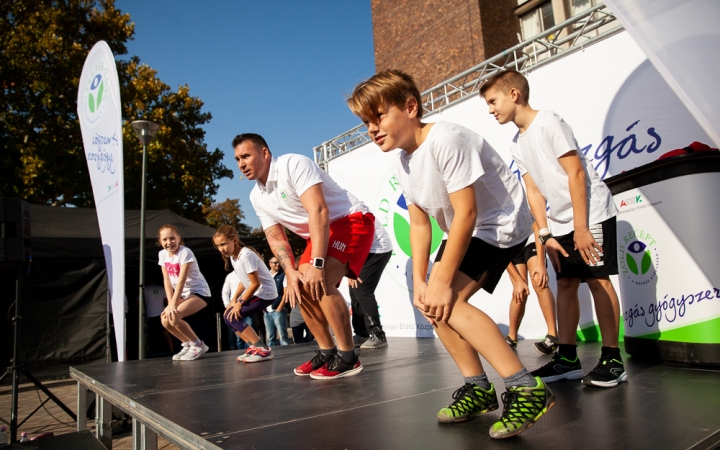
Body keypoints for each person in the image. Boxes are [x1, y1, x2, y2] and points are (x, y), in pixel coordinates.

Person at [347, 69, 555, 439]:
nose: (372, 128)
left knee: (450, 301)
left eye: (378, 117)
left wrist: (442, 282)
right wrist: (421, 281)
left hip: (500, 224)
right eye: (366, 122)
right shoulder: (403, 159)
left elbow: (468, 213)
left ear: (410, 107)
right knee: (432, 302)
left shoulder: (446, 138)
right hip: (470, 227)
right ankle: (478, 388)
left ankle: (526, 388)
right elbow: (420, 225)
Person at [481, 69, 625, 388]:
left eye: (493, 101)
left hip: (591, 214)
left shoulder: (549, 121)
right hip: (559, 223)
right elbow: (533, 191)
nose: (490, 110)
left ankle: (613, 360)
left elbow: (575, 174)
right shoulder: (518, 144)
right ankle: (567, 358)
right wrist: (545, 234)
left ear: (513, 94)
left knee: (598, 280)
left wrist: (581, 227)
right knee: (569, 283)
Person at [233, 132, 374, 380]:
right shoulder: (256, 196)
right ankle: (327, 351)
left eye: (246, 156)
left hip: (349, 221)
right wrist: (290, 272)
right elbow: (276, 237)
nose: (241, 164)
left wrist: (317, 264)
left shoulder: (293, 164)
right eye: (237, 159)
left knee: (319, 280)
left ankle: (349, 356)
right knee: (297, 284)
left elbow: (319, 210)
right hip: (317, 234)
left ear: (264, 153)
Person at [213, 225, 278, 363]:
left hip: (265, 293)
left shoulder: (245, 255)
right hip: (258, 292)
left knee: (233, 317)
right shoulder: (233, 257)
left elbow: (255, 283)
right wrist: (233, 300)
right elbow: (244, 280)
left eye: (223, 244)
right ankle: (254, 347)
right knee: (227, 317)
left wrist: (240, 302)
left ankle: (263, 349)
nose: (221, 249)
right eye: (218, 246)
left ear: (234, 240)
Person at [157, 224, 211, 361]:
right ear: (160, 241)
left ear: (178, 238)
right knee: (165, 320)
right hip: (183, 294)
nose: (169, 243)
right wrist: (170, 304)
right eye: (165, 240)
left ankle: (198, 345)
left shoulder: (185, 252)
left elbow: (181, 280)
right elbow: (167, 281)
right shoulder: (162, 255)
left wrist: (173, 304)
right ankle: (188, 344)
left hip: (199, 292)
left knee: (174, 317)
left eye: (172, 238)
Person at [504, 230, 558, 354]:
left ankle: (552, 335)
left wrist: (541, 263)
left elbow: (537, 225)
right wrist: (518, 281)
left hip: (532, 242)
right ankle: (512, 338)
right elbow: (499, 249)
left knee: (539, 281)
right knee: (519, 291)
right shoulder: (494, 214)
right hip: (511, 248)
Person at [349, 220, 392, 349]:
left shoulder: (337, 207)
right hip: (364, 249)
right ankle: (362, 334)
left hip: (378, 248)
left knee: (362, 289)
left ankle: (378, 335)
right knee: (354, 288)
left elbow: (357, 237)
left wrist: (353, 267)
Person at [221, 271, 253, 350]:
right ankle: (241, 351)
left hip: (247, 305)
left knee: (249, 331)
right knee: (239, 336)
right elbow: (225, 292)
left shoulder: (248, 274)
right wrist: (228, 305)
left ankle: (252, 349)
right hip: (233, 306)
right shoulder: (230, 276)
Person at [264, 257, 290, 346]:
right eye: (275, 263)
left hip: (278, 309)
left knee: (283, 336)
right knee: (270, 337)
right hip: (266, 310)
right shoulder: (265, 275)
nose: (277, 264)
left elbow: (286, 293)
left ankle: (287, 355)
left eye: (279, 263)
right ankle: (271, 354)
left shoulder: (283, 275)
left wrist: (280, 307)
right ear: (270, 264)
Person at [143, 282, 175, 356]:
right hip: (161, 314)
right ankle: (172, 350)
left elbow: (138, 302)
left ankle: (148, 352)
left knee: (148, 335)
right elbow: (167, 300)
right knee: (167, 333)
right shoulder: (161, 288)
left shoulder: (145, 289)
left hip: (150, 315)